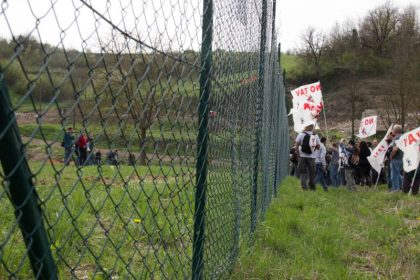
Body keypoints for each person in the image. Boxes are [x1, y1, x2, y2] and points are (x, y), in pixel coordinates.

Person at [295, 121, 320, 191]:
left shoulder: (301, 134)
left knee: (303, 172)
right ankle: (312, 187)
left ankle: (304, 187)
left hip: (302, 156)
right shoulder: (315, 136)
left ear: (305, 126)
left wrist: (298, 154)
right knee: (312, 173)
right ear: (313, 127)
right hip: (312, 157)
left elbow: (296, 145)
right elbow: (318, 147)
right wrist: (313, 146)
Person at [389, 125, 404, 192]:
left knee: (394, 174)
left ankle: (396, 189)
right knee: (398, 173)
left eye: (393, 130)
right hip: (402, 157)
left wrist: (391, 156)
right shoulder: (403, 137)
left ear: (395, 131)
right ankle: (405, 186)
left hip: (396, 158)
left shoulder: (396, 138)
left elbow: (395, 149)